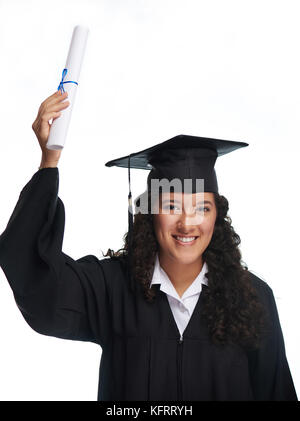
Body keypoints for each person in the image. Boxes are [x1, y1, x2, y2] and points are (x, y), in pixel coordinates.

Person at [0, 91, 297, 401]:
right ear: (150, 212)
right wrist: (49, 162)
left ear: (217, 216)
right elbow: (35, 278)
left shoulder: (251, 297)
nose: (187, 223)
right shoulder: (112, 287)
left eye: (202, 208)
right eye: (171, 206)